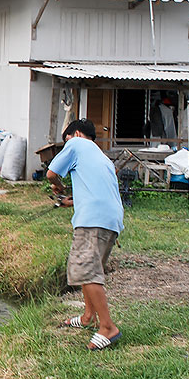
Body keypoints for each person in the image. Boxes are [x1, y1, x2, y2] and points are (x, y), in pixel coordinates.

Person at [46, 119, 125, 350]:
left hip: (93, 220)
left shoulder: (76, 144)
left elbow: (51, 174)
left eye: (66, 139)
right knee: (90, 269)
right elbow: (96, 189)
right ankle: (87, 317)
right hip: (110, 220)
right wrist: (72, 200)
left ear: (76, 134)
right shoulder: (103, 158)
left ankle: (108, 327)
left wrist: (58, 186)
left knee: (84, 269)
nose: (66, 144)